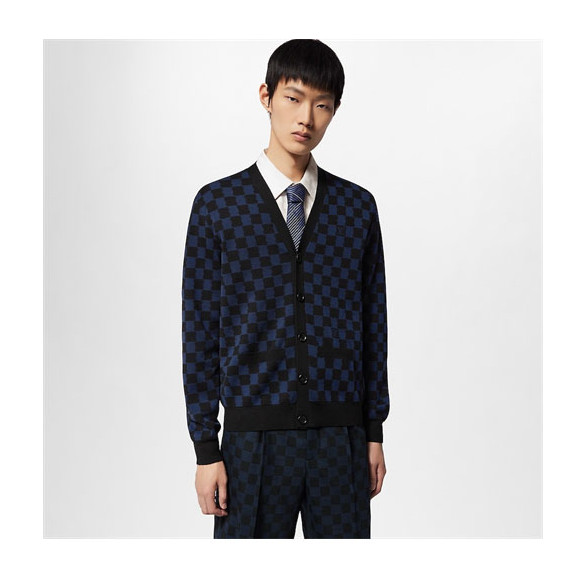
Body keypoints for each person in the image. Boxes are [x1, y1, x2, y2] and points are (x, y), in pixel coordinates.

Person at [181, 39, 389, 538]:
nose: (306, 118)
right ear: (266, 96)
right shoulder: (218, 206)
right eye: (294, 99)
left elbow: (373, 325)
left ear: (334, 111)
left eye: (322, 105)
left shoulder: (356, 208)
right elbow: (199, 332)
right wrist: (206, 449)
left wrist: (373, 431)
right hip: (251, 443)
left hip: (340, 438)